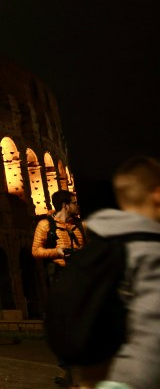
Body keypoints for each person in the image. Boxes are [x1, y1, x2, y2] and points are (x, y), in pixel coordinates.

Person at [78, 155, 160, 389]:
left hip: (98, 372)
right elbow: (153, 327)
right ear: (157, 195)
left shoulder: (98, 248)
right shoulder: (151, 251)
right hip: (135, 378)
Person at [32, 188, 85, 387]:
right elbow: (36, 251)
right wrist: (57, 251)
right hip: (60, 276)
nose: (77, 205)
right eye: (74, 202)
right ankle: (66, 367)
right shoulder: (45, 225)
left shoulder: (80, 225)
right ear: (65, 205)